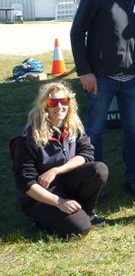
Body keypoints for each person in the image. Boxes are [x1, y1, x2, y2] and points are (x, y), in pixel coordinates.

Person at [70, 0, 135, 195]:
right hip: (100, 77)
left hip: (131, 78)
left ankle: (132, 178)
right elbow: (76, 32)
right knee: (94, 131)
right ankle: (96, 182)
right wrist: (84, 71)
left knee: (134, 130)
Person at [10, 82, 108, 236]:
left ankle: (87, 212)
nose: (60, 107)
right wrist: (59, 202)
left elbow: (87, 154)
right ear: (44, 106)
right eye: (53, 102)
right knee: (81, 229)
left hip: (65, 182)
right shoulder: (27, 137)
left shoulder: (72, 125)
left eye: (64, 102)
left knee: (99, 169)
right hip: (40, 195)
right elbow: (26, 183)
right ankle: (42, 220)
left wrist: (56, 170)